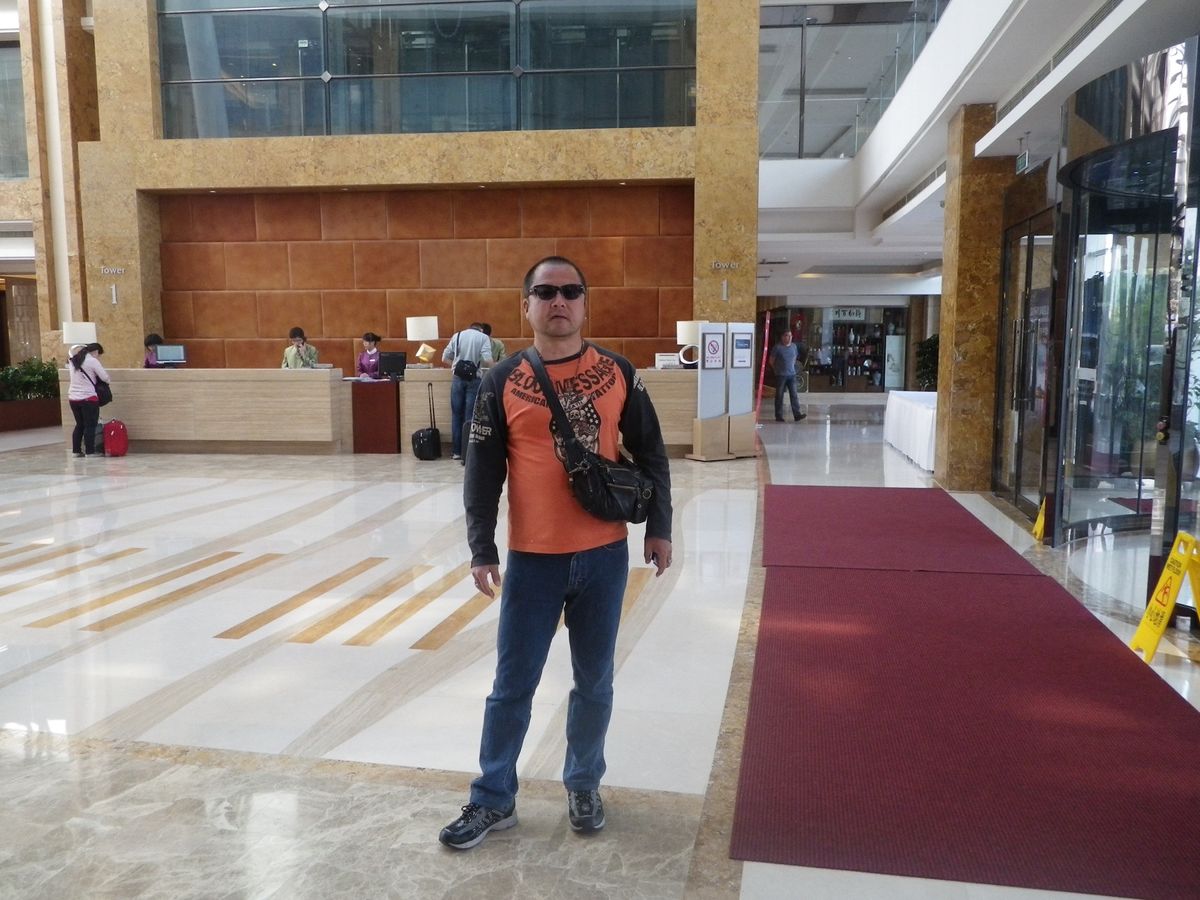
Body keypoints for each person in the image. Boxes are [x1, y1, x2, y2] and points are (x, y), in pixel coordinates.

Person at [439, 255, 673, 850]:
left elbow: (651, 453)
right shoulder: (500, 380)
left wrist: (660, 526)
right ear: (527, 306)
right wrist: (481, 547)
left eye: (571, 291)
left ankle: (584, 784)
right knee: (512, 685)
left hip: (604, 555)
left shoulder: (619, 371)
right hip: (533, 561)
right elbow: (482, 474)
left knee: (594, 682)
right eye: (545, 293)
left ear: (586, 304)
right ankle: (493, 797)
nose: (559, 301)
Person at [442, 322, 493, 462]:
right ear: (481, 329)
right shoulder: (483, 337)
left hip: (457, 378)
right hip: (474, 379)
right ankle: (468, 452)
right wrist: (497, 368)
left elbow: (444, 357)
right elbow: (488, 360)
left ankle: (456, 452)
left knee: (456, 415)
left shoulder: (457, 335)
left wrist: (455, 366)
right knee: (470, 415)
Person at [67, 342, 110, 458]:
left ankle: (76, 451)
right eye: (99, 355)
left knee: (79, 425)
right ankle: (90, 452)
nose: (98, 357)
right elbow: (105, 377)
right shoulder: (92, 360)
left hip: (73, 398)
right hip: (88, 398)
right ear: (96, 352)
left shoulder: (73, 360)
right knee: (90, 425)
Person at [770, 330, 806, 422]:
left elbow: (794, 357)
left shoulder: (794, 346)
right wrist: (776, 370)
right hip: (781, 375)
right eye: (787, 335)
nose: (789, 338)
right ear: (782, 337)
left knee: (794, 395)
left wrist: (792, 367)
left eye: (790, 336)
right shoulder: (777, 348)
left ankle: (797, 414)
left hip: (792, 375)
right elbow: (771, 361)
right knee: (779, 396)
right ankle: (779, 415)